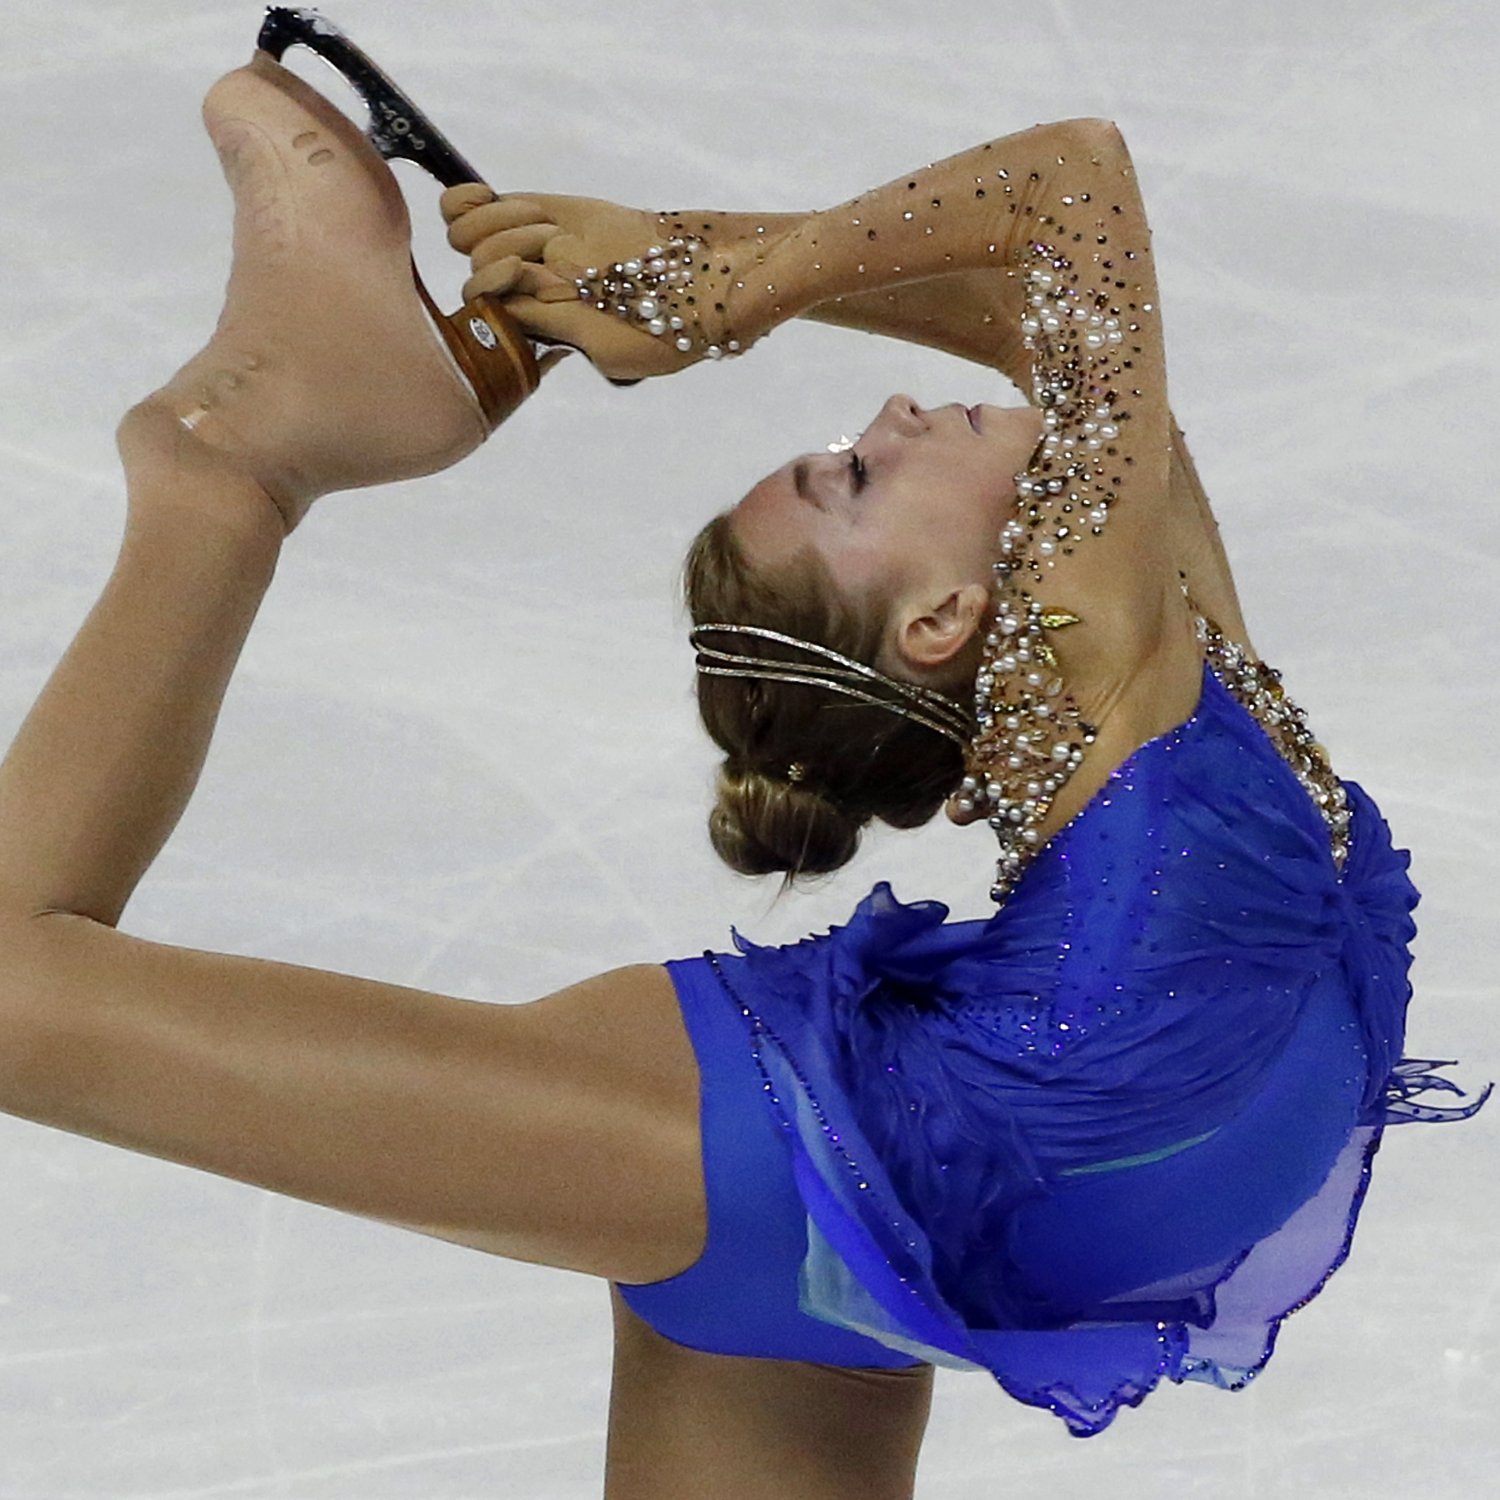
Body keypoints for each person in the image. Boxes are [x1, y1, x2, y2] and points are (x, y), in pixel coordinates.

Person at [0, 17, 1484, 1499]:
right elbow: (1068, 191)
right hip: (880, 1172)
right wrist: (718, 284)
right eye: (854, 474)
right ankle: (229, 473)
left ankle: (293, 430)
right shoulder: (1096, 613)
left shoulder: (1137, 611)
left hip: (922, 1203)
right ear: (942, 616)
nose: (891, 422)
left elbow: (1046, 303)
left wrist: (693, 271)